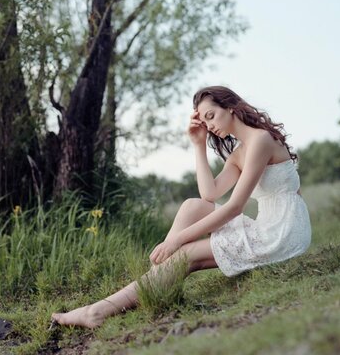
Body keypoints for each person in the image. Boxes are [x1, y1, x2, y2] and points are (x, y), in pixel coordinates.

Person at [50, 86, 311, 328]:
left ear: (231, 107)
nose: (210, 125)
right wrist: (198, 145)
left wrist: (176, 241)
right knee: (192, 206)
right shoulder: (240, 153)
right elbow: (209, 194)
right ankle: (154, 283)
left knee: (184, 254)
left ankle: (96, 312)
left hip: (282, 233)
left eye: (212, 115)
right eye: (205, 121)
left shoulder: (261, 141)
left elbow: (234, 207)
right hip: (269, 225)